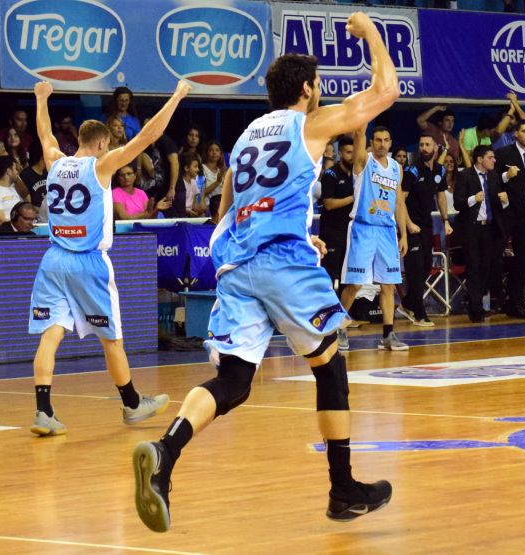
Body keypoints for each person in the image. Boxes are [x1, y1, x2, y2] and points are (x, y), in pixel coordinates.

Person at [132, 14, 401, 534]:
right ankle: (342, 489)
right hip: (281, 263)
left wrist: (295, 233)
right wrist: (369, 30)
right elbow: (386, 90)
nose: (320, 92)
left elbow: (229, 207)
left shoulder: (245, 139)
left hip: (238, 263)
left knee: (233, 381)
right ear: (307, 89)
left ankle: (165, 452)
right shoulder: (310, 125)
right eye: (318, 84)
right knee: (329, 366)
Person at [28, 80, 187, 437]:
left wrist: (41, 99)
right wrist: (176, 96)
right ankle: (132, 404)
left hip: (53, 260)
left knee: (50, 336)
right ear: (101, 144)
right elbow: (148, 135)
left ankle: (43, 411)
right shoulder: (101, 167)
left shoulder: (56, 161)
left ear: (79, 140)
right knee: (111, 339)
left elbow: (44, 133)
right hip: (88, 262)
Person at [337, 125, 409, 351]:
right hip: (363, 228)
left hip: (387, 230)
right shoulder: (363, 161)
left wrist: (403, 234)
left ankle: (388, 334)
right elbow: (358, 135)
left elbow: (399, 202)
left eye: (386, 140)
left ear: (390, 142)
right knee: (355, 284)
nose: (382, 144)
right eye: (378, 140)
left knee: (388, 285)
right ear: (371, 142)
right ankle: (338, 328)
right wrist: (361, 124)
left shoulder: (397, 168)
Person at [495, 121, 525, 318]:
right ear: (516, 133)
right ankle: (497, 298)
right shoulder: (503, 153)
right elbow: (494, 179)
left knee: (523, 259)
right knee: (495, 256)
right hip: (506, 212)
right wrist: (506, 176)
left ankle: (516, 303)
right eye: (524, 131)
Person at [400, 133, 450, 327]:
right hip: (411, 227)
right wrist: (408, 224)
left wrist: (445, 220)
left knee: (427, 267)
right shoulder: (412, 171)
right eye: (421, 145)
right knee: (415, 269)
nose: (423, 148)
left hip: (427, 225)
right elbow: (400, 200)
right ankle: (420, 313)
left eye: (427, 145)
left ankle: (407, 303)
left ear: (435, 148)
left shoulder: (440, 170)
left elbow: (441, 196)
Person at [455, 145, 507, 322]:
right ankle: (475, 308)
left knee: (487, 267)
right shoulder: (465, 175)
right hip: (472, 228)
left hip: (489, 228)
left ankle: (479, 302)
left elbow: (498, 204)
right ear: (480, 159)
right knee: (473, 267)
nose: (494, 160)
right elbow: (458, 203)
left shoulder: (493, 176)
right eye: (490, 157)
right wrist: (473, 199)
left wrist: (505, 201)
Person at [319, 137, 356, 293]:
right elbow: (329, 204)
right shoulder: (331, 174)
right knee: (329, 275)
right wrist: (354, 197)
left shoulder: (357, 175)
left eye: (354, 152)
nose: (352, 156)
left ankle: (343, 306)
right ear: (340, 153)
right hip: (332, 232)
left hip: (350, 232)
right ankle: (326, 306)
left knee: (347, 277)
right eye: (348, 152)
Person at [200, 140, 227, 220]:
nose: (214, 153)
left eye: (217, 150)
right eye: (211, 150)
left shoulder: (222, 170)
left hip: (222, 210)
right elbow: (200, 194)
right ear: (206, 153)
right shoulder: (201, 168)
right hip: (207, 210)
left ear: (220, 153)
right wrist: (217, 182)